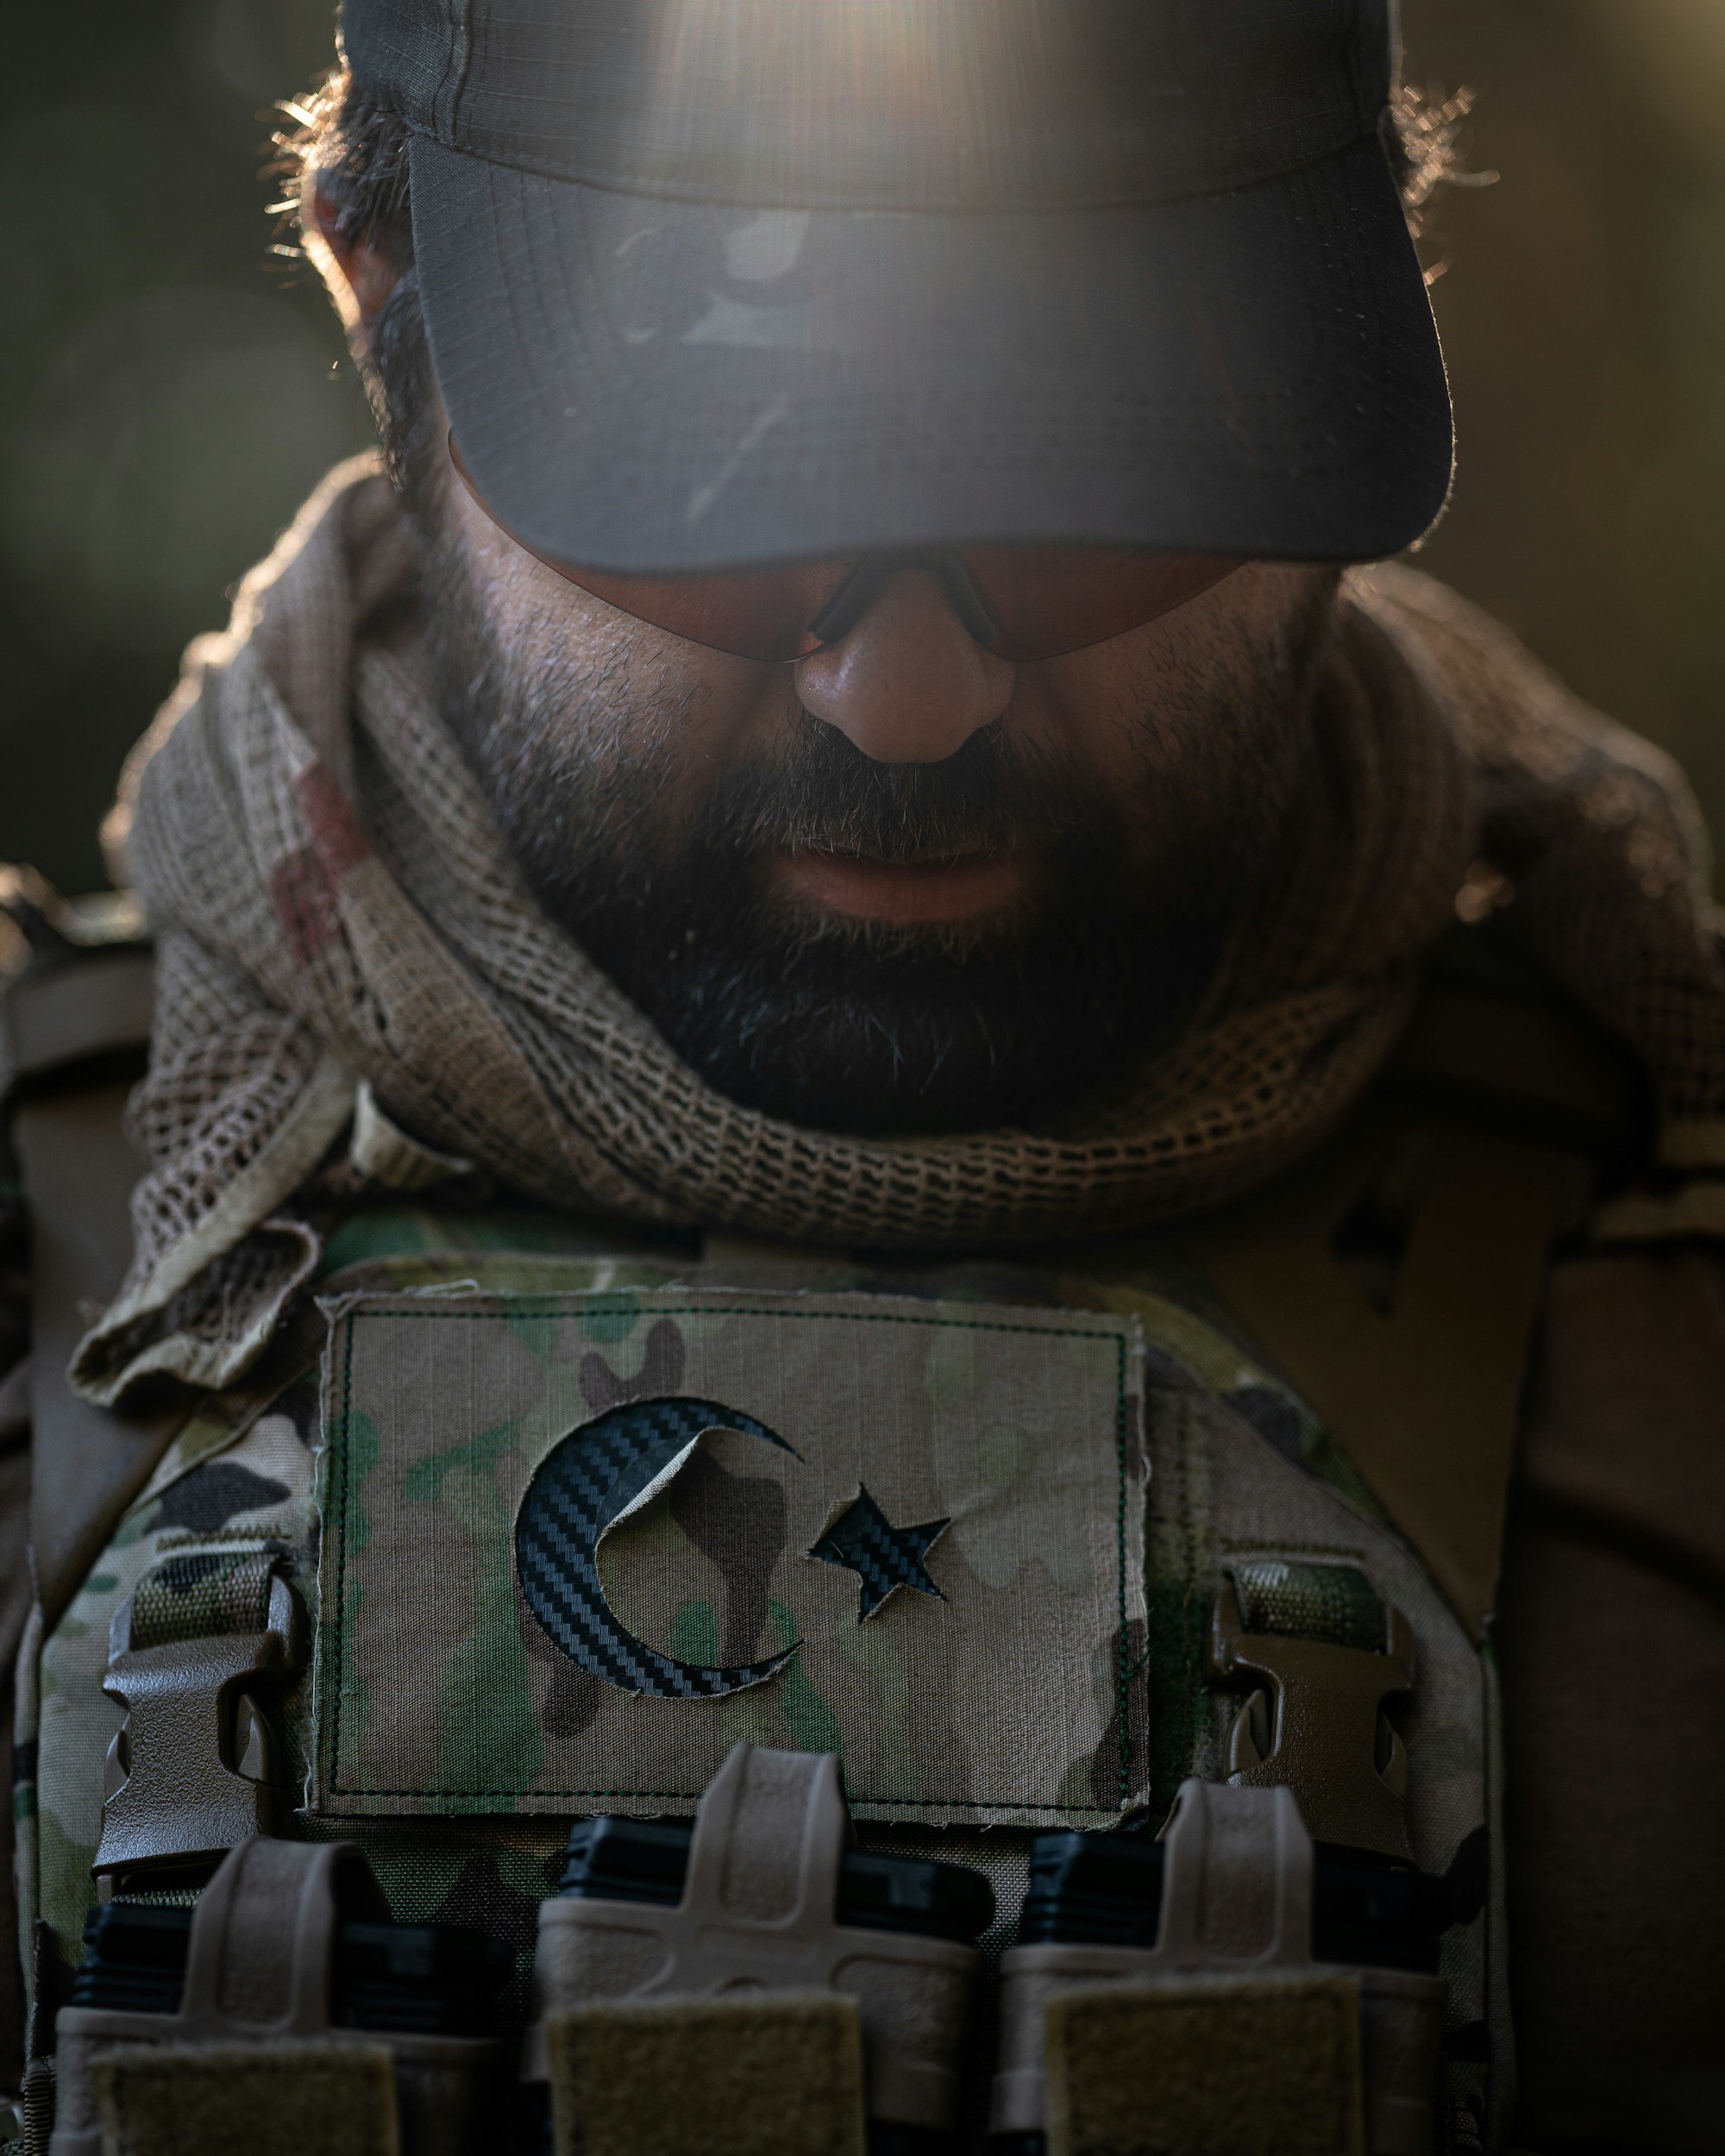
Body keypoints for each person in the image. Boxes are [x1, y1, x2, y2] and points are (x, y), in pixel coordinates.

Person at [3, 2, 1722, 2150]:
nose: (907, 698)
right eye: (714, 491)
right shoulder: (41, 1270)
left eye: (1090, 486)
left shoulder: (1669, 1258)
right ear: (379, 295)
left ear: (1382, 274)